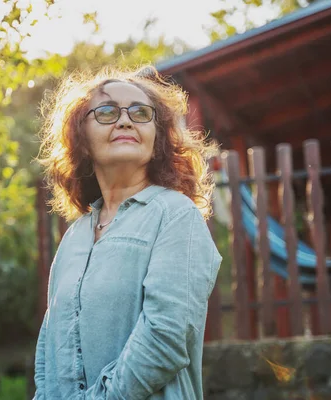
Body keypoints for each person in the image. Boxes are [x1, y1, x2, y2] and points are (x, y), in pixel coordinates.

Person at [33, 65, 222, 400]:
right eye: (106, 112)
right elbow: (49, 352)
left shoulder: (176, 215)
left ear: (158, 138)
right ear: (82, 140)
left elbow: (165, 339)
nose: (125, 120)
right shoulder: (74, 237)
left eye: (140, 112)